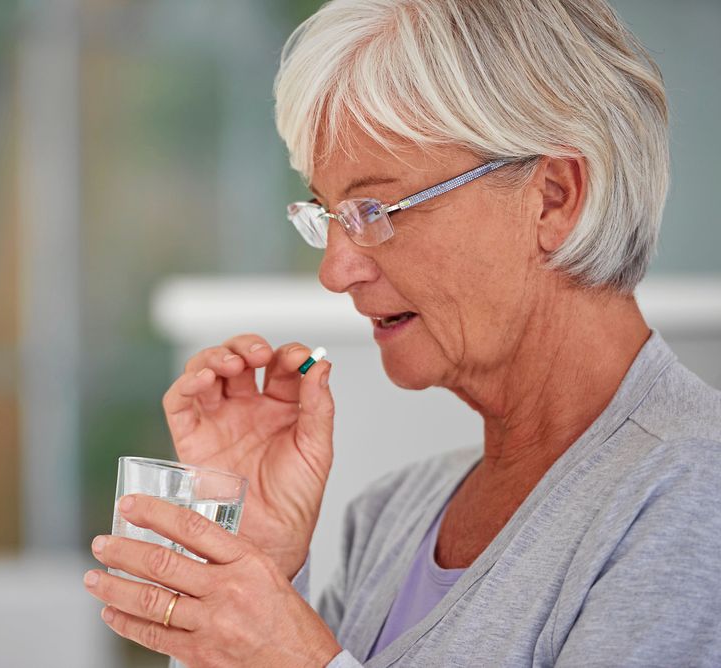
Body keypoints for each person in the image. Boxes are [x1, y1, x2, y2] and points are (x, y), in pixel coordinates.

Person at [82, 0, 721, 665]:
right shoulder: (393, 515)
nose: (335, 270)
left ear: (555, 197)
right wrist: (254, 566)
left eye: (375, 208)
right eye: (328, 213)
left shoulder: (696, 494)